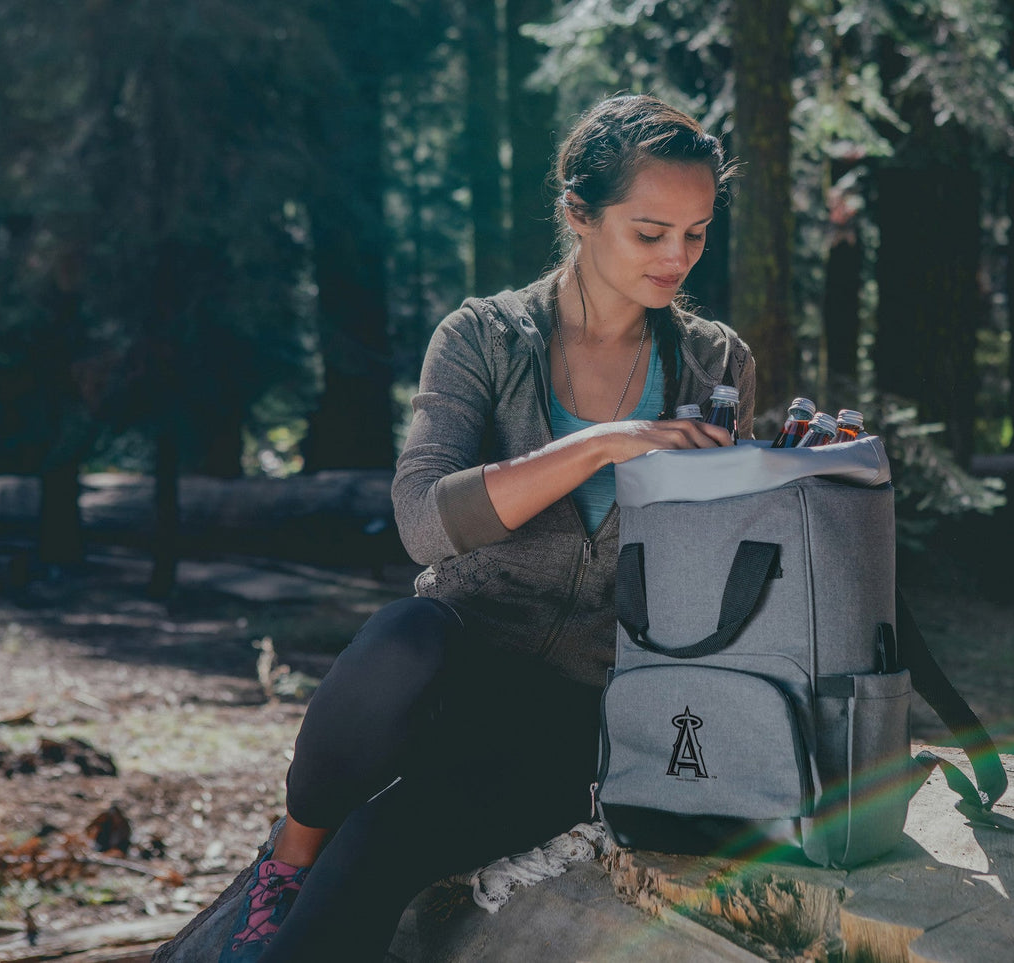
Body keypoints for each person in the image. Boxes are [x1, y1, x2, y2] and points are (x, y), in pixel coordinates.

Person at [154, 93, 755, 962]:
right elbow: (422, 522)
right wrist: (600, 445)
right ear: (577, 215)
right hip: (446, 674)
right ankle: (285, 861)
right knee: (405, 632)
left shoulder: (713, 362)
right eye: (650, 230)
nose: (676, 257)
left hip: (585, 715)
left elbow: (716, 568)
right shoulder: (482, 338)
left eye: (695, 233)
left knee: (381, 848)